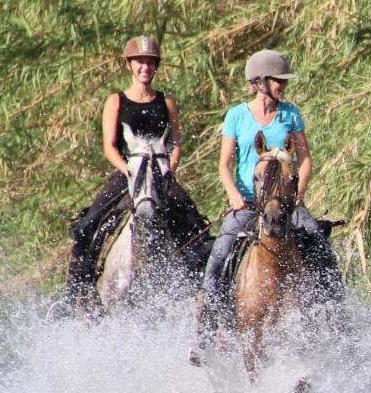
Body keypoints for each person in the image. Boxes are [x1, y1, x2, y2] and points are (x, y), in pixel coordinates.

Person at [191, 49, 341, 360]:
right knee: (220, 253)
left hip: (286, 203)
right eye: (278, 80)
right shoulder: (236, 116)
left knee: (318, 240)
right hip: (248, 202)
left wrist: (299, 192)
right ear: (260, 82)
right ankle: (206, 329)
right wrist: (233, 193)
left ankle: (336, 313)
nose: (283, 86)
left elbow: (306, 158)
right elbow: (224, 164)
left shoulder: (290, 115)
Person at [62, 35, 209, 314]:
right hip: (128, 171)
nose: (146, 67)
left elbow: (175, 143)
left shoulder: (166, 102)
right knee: (87, 226)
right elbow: (109, 146)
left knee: (196, 225)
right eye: (141, 62)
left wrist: (169, 169)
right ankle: (74, 294)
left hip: (161, 172)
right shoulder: (116, 101)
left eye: (151, 62)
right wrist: (127, 169)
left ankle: (197, 289)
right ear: (130, 65)